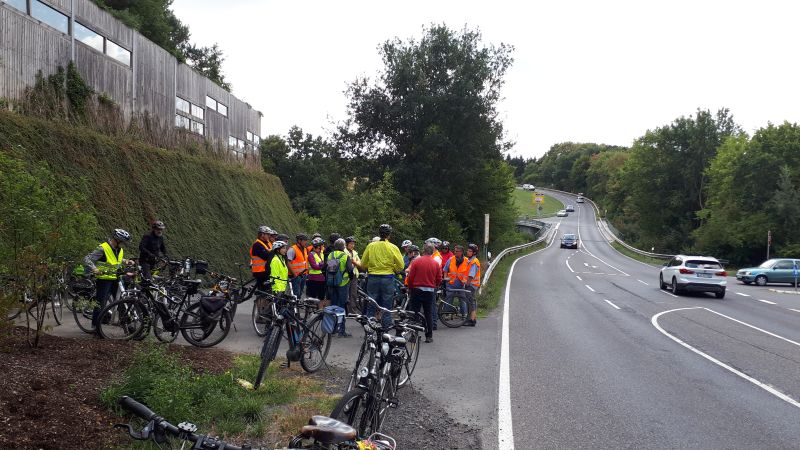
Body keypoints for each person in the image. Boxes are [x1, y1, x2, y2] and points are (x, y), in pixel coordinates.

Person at [83, 228, 132, 334]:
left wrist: (126, 261)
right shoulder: (103, 248)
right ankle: (95, 327)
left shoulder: (119, 249)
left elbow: (116, 260)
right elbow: (87, 259)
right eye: (123, 242)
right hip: (104, 280)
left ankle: (127, 326)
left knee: (122, 302)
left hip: (116, 279)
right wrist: (94, 269)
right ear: (117, 240)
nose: (124, 245)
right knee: (100, 304)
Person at [361, 224, 405, 328]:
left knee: (371, 303)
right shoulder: (393, 247)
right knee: (387, 305)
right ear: (389, 235)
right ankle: (385, 330)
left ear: (379, 234)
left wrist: (372, 266)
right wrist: (394, 268)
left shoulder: (371, 246)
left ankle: (369, 329)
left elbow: (363, 264)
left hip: (373, 278)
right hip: (387, 278)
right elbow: (401, 266)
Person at [406, 243, 442, 343]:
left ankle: (413, 335)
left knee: (415, 313)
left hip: (417, 290)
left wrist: (410, 287)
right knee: (428, 313)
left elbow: (411, 277)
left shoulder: (417, 262)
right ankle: (429, 336)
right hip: (430, 291)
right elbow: (439, 278)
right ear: (432, 251)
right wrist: (435, 286)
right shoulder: (435, 263)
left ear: (423, 250)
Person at [327, 238, 354, 337]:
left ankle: (332, 329)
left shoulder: (331, 255)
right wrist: (351, 278)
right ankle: (341, 330)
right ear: (343, 247)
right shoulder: (345, 256)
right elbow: (350, 270)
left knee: (333, 305)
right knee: (341, 307)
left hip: (332, 283)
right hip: (342, 284)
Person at [443, 244, 471, 320]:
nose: (455, 252)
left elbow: (469, 272)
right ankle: (447, 315)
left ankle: (464, 315)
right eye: (455, 251)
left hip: (461, 284)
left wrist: (467, 281)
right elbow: (445, 269)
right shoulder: (451, 259)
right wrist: (445, 278)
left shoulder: (466, 261)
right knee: (449, 299)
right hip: (451, 283)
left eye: (457, 251)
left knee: (463, 300)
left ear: (461, 252)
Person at [250, 226, 273, 291]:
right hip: (260, 272)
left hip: (267, 271)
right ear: (262, 234)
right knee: (263, 292)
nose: (269, 236)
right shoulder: (257, 245)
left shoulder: (268, 243)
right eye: (267, 234)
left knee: (269, 292)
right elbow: (267, 256)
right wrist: (272, 252)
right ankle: (260, 301)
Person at [464, 243, 482, 326]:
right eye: (468, 250)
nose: (467, 252)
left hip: (471, 285)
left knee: (470, 302)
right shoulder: (470, 260)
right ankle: (472, 319)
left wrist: (467, 284)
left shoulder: (474, 262)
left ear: (474, 253)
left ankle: (472, 320)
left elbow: (471, 275)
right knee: (471, 302)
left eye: (470, 251)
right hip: (472, 285)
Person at [345, 236, 364, 311]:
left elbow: (360, 264)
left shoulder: (355, 253)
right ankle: (344, 309)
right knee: (345, 293)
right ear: (346, 244)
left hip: (354, 275)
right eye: (351, 244)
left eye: (353, 244)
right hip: (346, 275)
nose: (352, 245)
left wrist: (353, 262)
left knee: (353, 293)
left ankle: (352, 309)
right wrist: (354, 262)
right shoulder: (344, 251)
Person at [287, 234, 309, 298]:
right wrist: (294, 274)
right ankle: (293, 308)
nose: (306, 242)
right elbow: (288, 263)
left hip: (303, 275)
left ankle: (296, 307)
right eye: (304, 240)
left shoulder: (305, 249)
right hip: (295, 276)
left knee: (300, 294)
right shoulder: (292, 249)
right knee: (295, 294)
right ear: (299, 240)